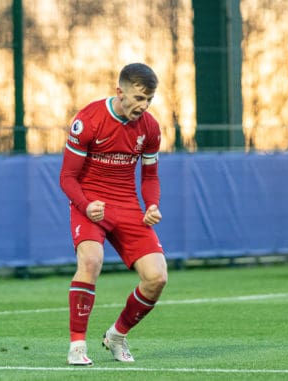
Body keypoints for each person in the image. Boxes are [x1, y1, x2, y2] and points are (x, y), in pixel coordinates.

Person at [59, 63, 168, 366]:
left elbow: (149, 177)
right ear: (120, 92)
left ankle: (117, 335)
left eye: (149, 100)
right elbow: (67, 177)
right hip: (90, 203)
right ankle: (77, 346)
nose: (143, 106)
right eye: (138, 97)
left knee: (157, 277)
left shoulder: (150, 128)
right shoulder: (89, 119)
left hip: (128, 206)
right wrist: (85, 205)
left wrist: (152, 205)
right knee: (91, 261)